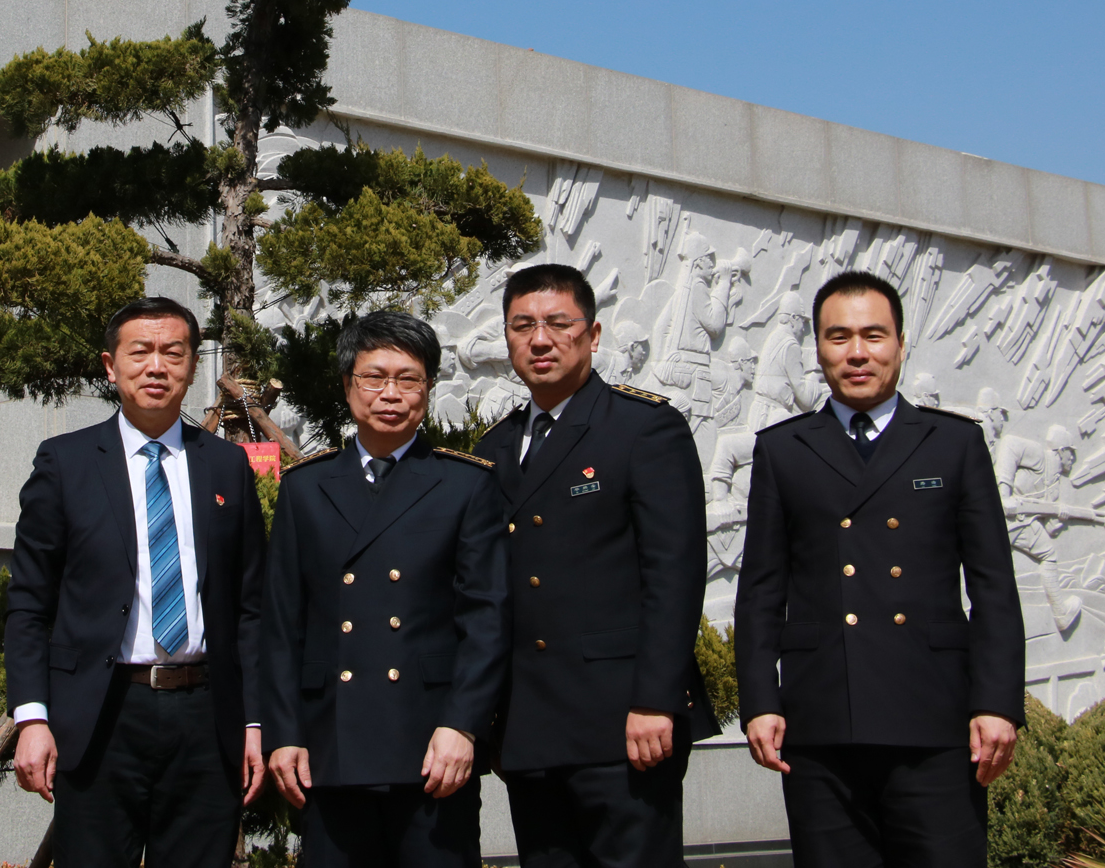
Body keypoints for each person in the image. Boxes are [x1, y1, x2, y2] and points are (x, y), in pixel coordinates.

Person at [735, 272, 1024, 868]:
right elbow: (761, 591)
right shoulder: (783, 449)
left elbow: (993, 586)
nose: (857, 353)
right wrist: (761, 701)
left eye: (873, 335)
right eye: (839, 337)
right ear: (818, 348)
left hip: (934, 719)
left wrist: (996, 703)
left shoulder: (954, 444)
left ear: (900, 343)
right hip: (820, 724)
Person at [4, 297, 268, 868]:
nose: (156, 366)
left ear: (192, 366)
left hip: (206, 715)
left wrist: (254, 720)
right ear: (110, 365)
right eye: (140, 351)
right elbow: (28, 602)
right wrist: (31, 717)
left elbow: (250, 606)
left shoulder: (227, 467)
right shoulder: (65, 463)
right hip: (101, 714)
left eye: (173, 352)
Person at [473, 264, 718, 868]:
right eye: (523, 326)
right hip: (530, 727)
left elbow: (674, 574)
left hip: (625, 722)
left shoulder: (643, 428)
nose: (540, 339)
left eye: (559, 323)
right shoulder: (494, 448)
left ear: (593, 334)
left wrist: (657, 700)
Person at [263, 311, 510, 868]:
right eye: (374, 377)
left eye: (408, 379)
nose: (391, 394)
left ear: (429, 387)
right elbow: (281, 624)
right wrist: (284, 732)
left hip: (431, 743)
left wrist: (463, 725)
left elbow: (487, 619)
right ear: (347, 385)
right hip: (330, 744)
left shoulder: (465, 484)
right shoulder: (306, 487)